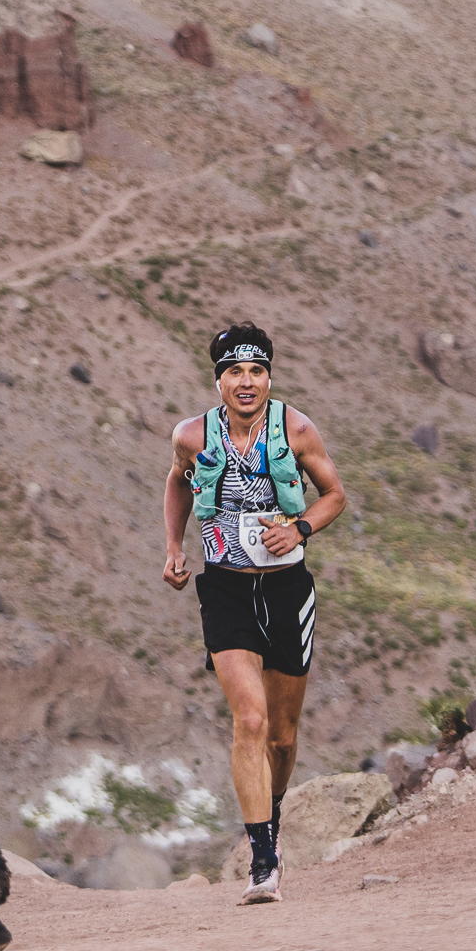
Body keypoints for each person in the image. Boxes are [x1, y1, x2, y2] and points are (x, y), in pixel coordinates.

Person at [163, 323, 345, 905]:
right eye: (235, 372)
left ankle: (273, 807)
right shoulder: (193, 436)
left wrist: (300, 527)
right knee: (250, 722)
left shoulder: (296, 428)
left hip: (288, 590)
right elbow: (177, 484)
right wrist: (173, 547)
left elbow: (335, 494)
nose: (247, 382)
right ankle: (263, 859)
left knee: (283, 738)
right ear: (218, 379)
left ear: (269, 376)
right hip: (225, 592)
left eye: (256, 371)